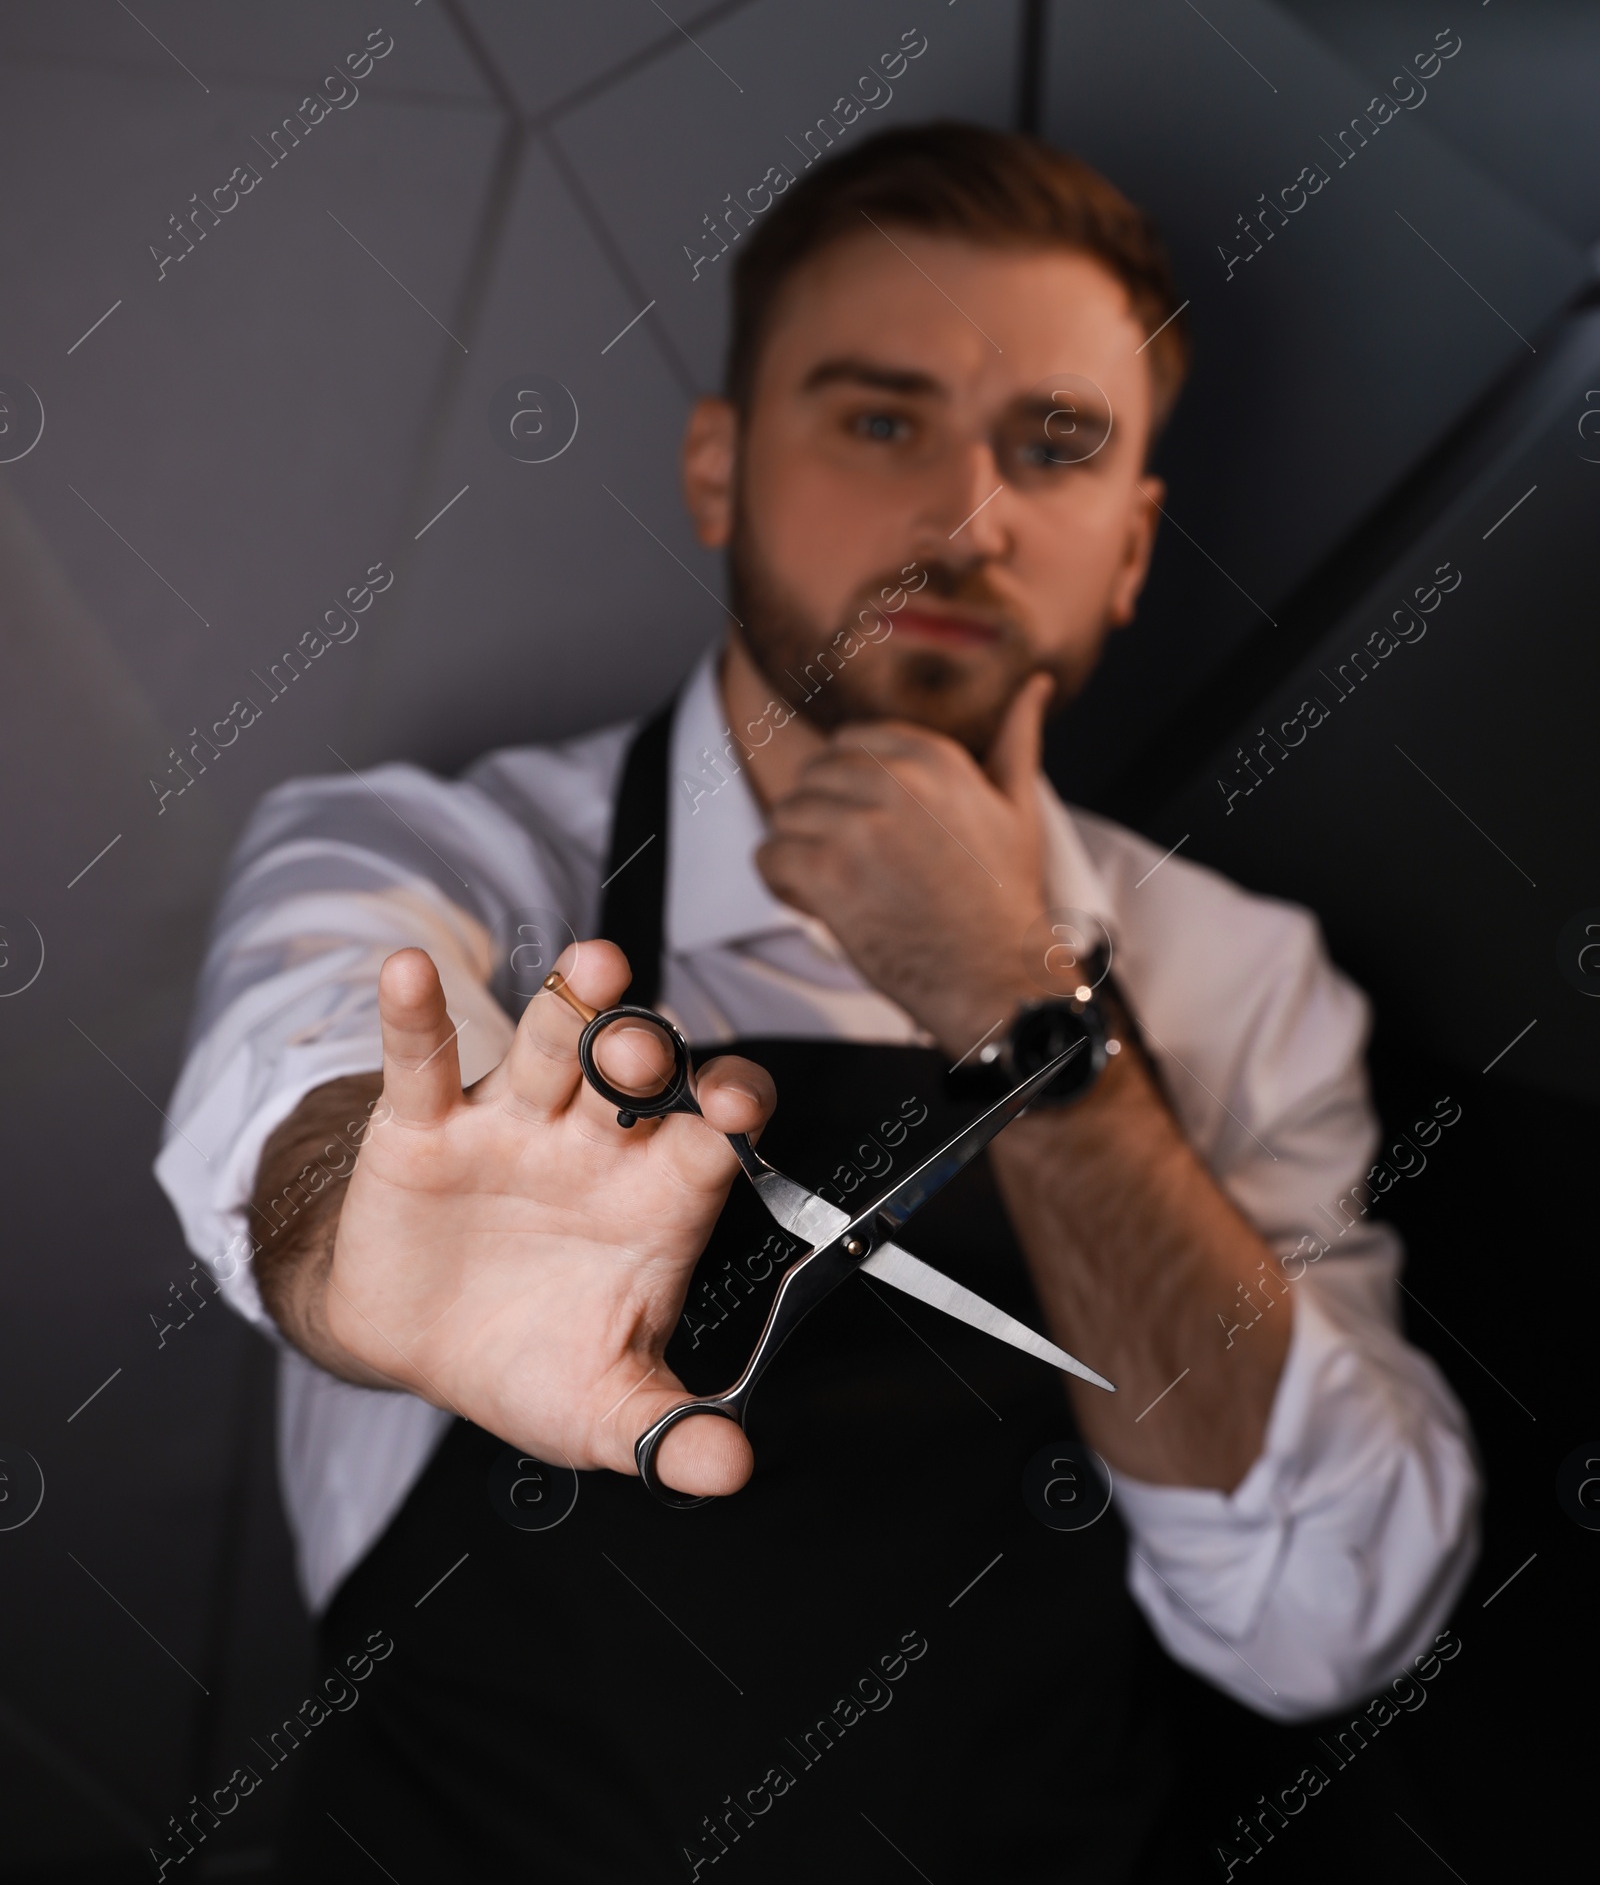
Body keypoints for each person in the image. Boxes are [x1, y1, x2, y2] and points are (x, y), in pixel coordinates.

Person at [157, 123, 1477, 1882]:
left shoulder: (1247, 978)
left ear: (1138, 544)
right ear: (717, 471)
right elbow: (306, 1063)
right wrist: (348, 1227)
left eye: (1057, 447)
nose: (970, 516)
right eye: (880, 420)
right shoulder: (447, 860)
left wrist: (1024, 1007)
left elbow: (1328, 1621)